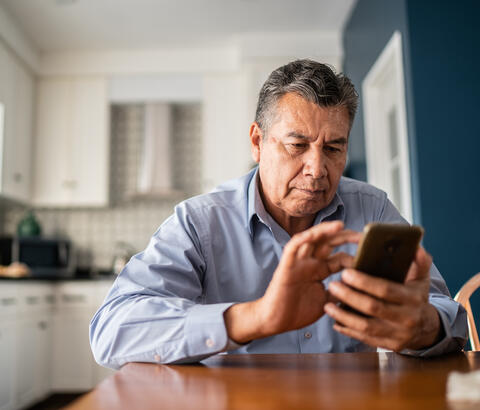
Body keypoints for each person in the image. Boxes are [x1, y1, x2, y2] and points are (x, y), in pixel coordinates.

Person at [90, 60, 467, 369]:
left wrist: (424, 328)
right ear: (257, 142)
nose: (317, 169)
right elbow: (112, 329)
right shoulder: (199, 222)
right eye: (297, 145)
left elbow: (450, 317)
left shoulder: (373, 208)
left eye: (334, 148)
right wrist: (257, 317)